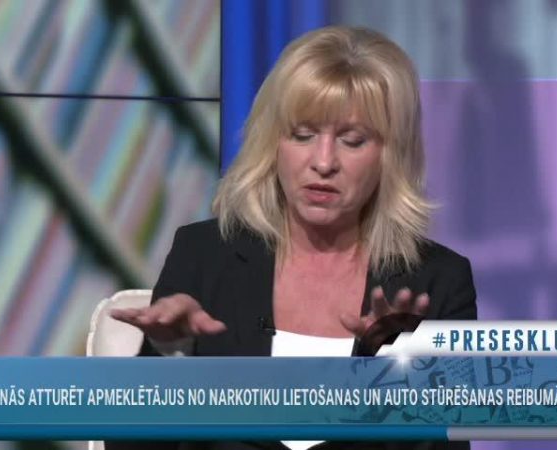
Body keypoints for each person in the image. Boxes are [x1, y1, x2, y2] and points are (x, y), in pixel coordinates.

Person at [108, 26, 476, 450]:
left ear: (390, 155)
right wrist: (169, 357)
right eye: (303, 135)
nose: (324, 162)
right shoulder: (203, 256)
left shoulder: (439, 281)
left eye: (352, 141)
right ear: (273, 143)